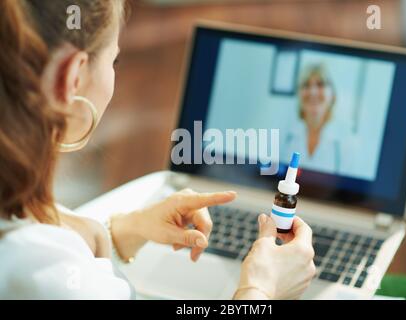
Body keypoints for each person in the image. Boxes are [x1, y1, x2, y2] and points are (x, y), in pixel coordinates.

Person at [0, 0, 315, 299]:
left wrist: (124, 231)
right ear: (72, 77)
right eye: (114, 61)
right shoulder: (41, 273)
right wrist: (261, 292)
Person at [284, 64, 340, 174]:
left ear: (332, 95)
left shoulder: (348, 142)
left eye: (320, 84)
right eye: (306, 85)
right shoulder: (285, 135)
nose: (313, 92)